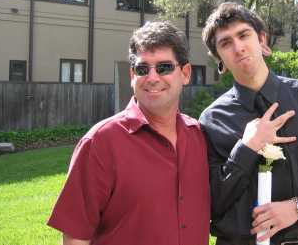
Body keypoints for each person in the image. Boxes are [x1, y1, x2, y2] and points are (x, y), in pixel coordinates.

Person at [199, 2, 298, 245]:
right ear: (217, 58)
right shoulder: (212, 120)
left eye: (244, 35)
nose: (238, 47)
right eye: (226, 43)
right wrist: (246, 149)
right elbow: (209, 203)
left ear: (262, 39)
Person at [47, 21, 210, 245]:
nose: (152, 78)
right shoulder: (101, 142)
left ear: (186, 73)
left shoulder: (198, 136)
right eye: (143, 69)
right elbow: (76, 236)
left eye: (164, 68)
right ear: (133, 75)